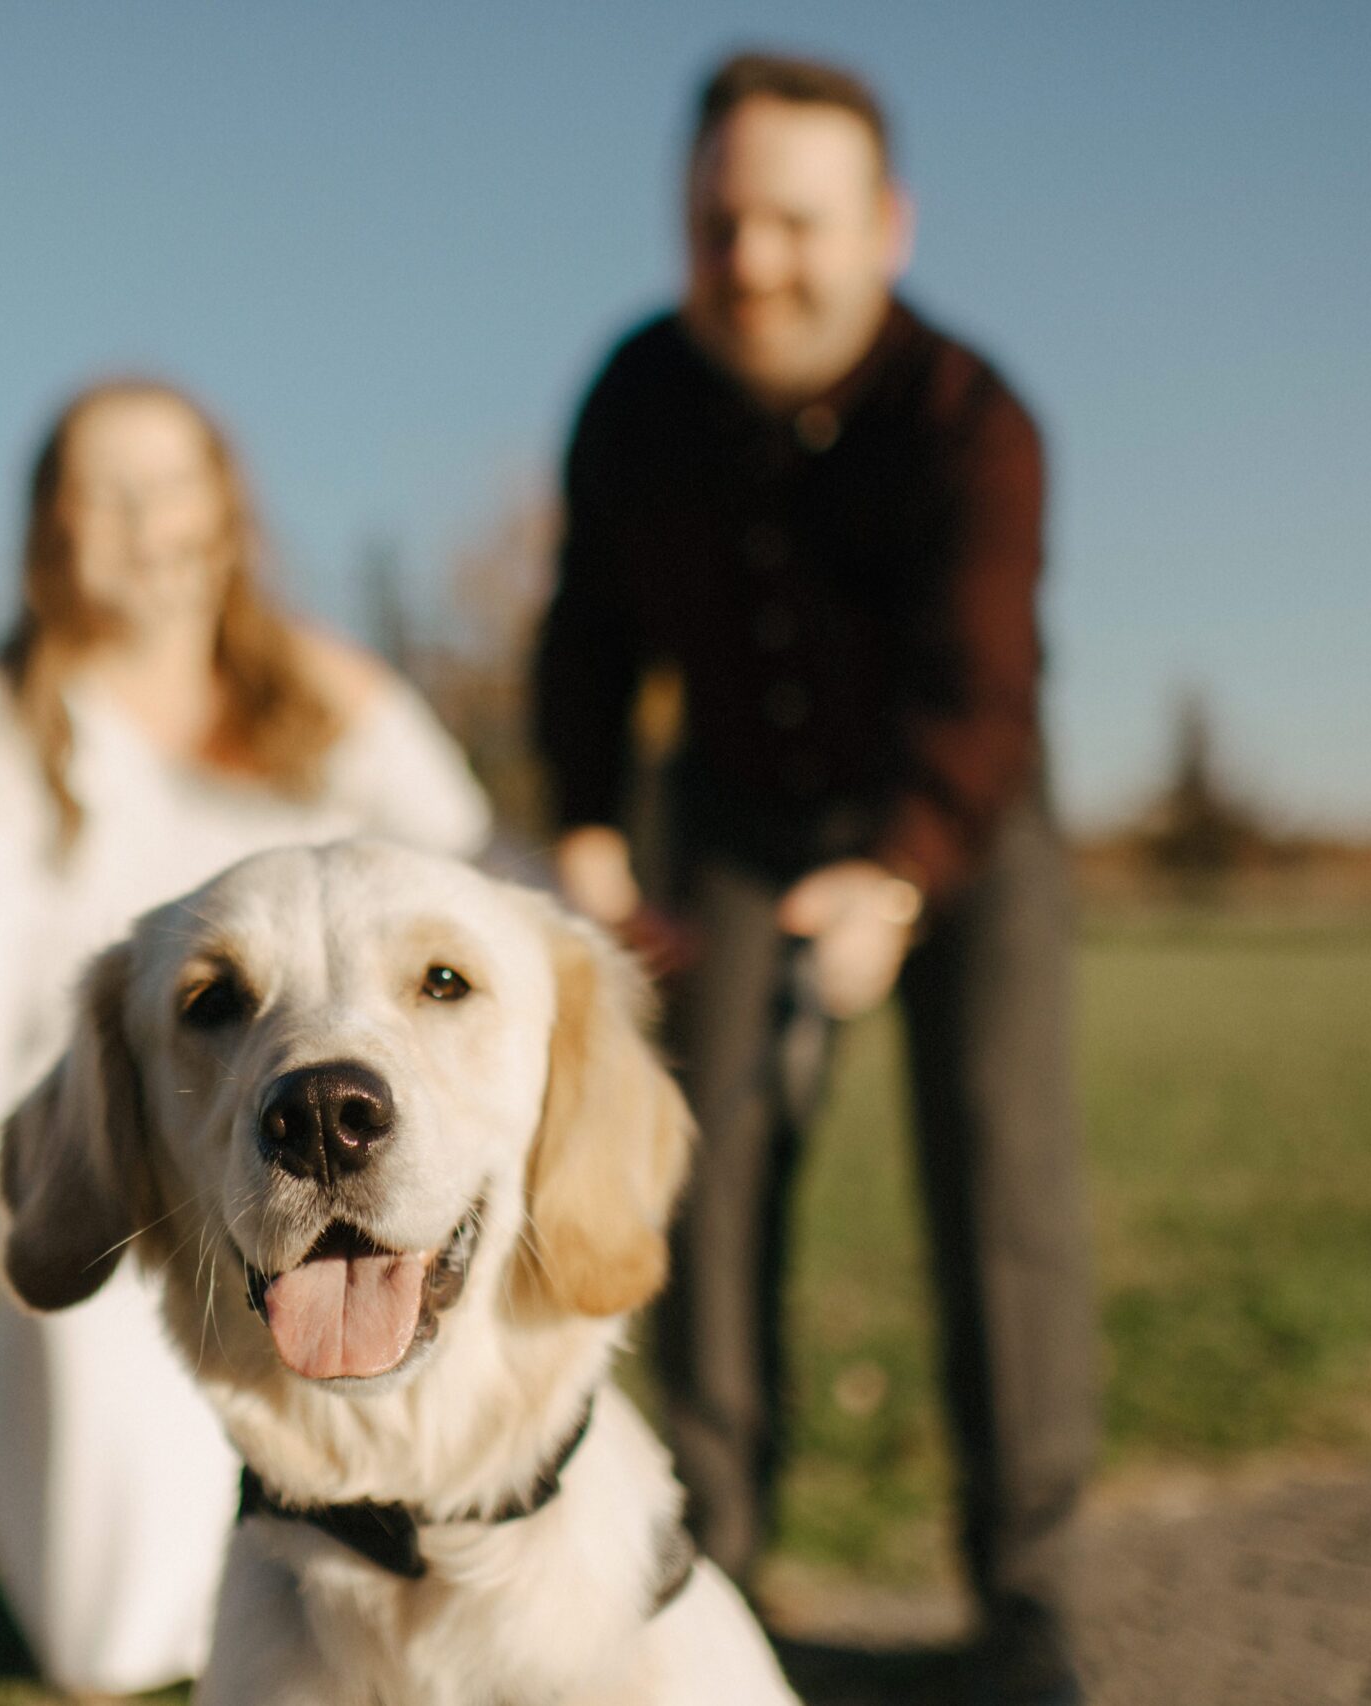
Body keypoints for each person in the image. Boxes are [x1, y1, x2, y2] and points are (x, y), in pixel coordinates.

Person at [530, 52, 1095, 1706]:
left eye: (796, 222)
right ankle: (709, 1576)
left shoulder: (976, 421)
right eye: (720, 223)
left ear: (886, 226)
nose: (754, 261)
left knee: (1003, 1170)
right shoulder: (633, 396)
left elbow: (982, 694)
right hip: (729, 814)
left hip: (959, 817)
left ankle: (1027, 1598)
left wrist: (897, 878)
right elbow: (585, 634)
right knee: (698, 1170)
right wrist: (583, 824)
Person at [0, 378, 491, 1699]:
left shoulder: (315, 689)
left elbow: (479, 877)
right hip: (121, 1183)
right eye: (102, 490)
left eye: (172, 482)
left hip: (320, 1144)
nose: (143, 517)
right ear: (51, 529)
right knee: (120, 1636)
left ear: (225, 510)